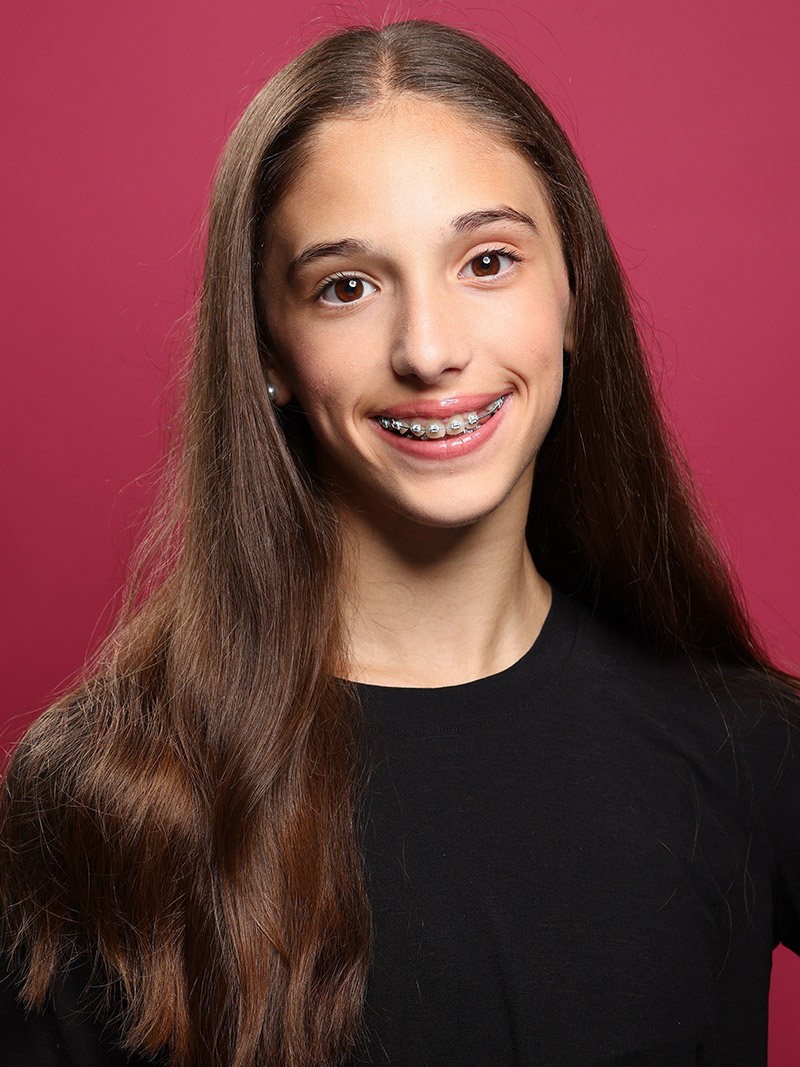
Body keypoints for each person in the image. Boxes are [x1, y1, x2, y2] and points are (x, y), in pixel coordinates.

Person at [1, 17, 798, 1067]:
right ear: (268, 351)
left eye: (488, 261)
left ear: (574, 294)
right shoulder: (96, 795)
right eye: (347, 286)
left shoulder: (746, 749)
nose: (428, 349)